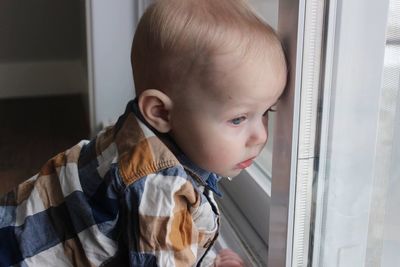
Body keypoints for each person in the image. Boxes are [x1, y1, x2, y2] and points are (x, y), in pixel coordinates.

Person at [0, 0, 287, 266]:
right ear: (160, 112)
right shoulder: (159, 187)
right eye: (238, 119)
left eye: (266, 113)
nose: (261, 136)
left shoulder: (135, 133)